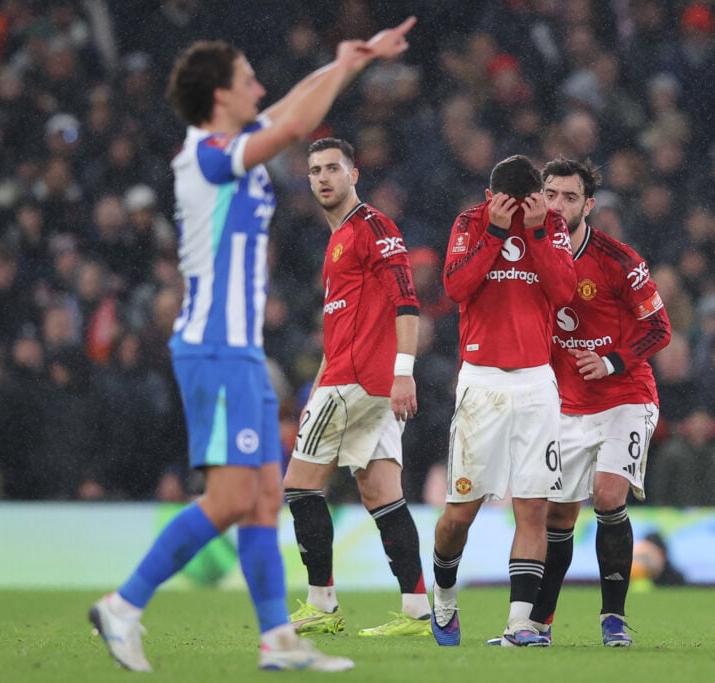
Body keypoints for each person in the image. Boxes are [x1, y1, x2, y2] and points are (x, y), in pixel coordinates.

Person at [88, 17, 417, 674]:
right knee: (234, 498)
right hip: (213, 346)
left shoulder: (231, 141)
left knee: (269, 497)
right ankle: (124, 605)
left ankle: (278, 640)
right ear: (219, 96)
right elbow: (293, 125)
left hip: (240, 352)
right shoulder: (205, 155)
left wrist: (343, 60)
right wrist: (346, 71)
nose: (260, 86)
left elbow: (289, 113)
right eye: (247, 80)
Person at [510, 157, 672, 648]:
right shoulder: (526, 255)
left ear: (589, 205)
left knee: (606, 496)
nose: (558, 206)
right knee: (557, 515)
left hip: (625, 395)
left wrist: (611, 362)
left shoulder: (620, 261)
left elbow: (659, 329)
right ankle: (539, 622)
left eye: (570, 197)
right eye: (551, 195)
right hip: (565, 404)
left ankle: (614, 618)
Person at [282, 137, 430, 637]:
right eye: (315, 170)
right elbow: (338, 329)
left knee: (300, 487)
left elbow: (407, 302)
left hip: (360, 382)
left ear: (353, 174)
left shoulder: (373, 226)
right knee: (381, 492)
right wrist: (315, 388)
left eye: (332, 168)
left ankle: (322, 604)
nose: (323, 177)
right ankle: (417, 610)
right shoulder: (338, 239)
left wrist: (404, 370)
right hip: (350, 380)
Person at [429, 154, 577, 647]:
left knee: (532, 507)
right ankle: (444, 596)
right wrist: (494, 234)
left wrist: (535, 233)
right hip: (482, 383)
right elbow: (455, 288)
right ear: (491, 197)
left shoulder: (550, 225)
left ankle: (519, 625)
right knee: (459, 514)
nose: (516, 211)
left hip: (536, 382)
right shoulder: (470, 223)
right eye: (506, 204)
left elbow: (564, 293)